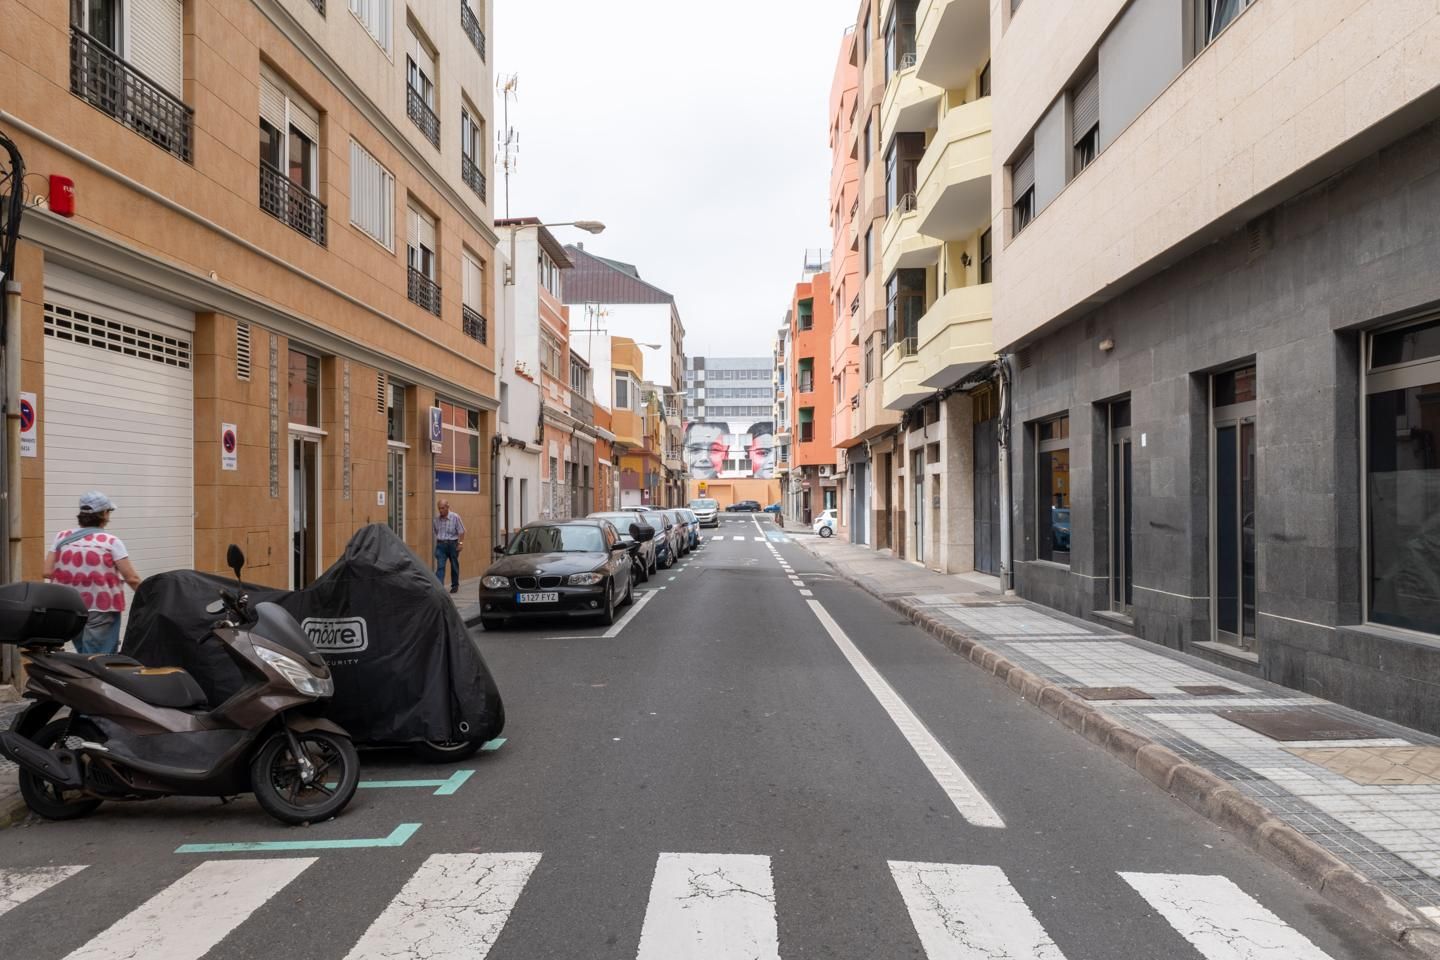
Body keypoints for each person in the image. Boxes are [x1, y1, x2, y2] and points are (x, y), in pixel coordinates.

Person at [42, 491, 142, 654]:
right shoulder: (111, 542)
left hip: (69, 607)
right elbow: (131, 578)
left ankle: (82, 679)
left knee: (84, 653)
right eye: (109, 512)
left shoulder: (61, 537)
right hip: (101, 608)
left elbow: (47, 571)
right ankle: (93, 680)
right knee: (98, 658)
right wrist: (149, 595)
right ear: (103, 514)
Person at [433, 500, 466, 594]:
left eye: (442, 508)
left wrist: (460, 543)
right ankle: (440, 588)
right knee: (440, 566)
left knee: (454, 565)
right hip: (441, 545)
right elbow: (436, 531)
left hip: (453, 544)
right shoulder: (436, 519)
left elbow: (462, 531)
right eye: (439, 508)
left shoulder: (455, 517)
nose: (440, 510)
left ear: (447, 507)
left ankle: (455, 585)